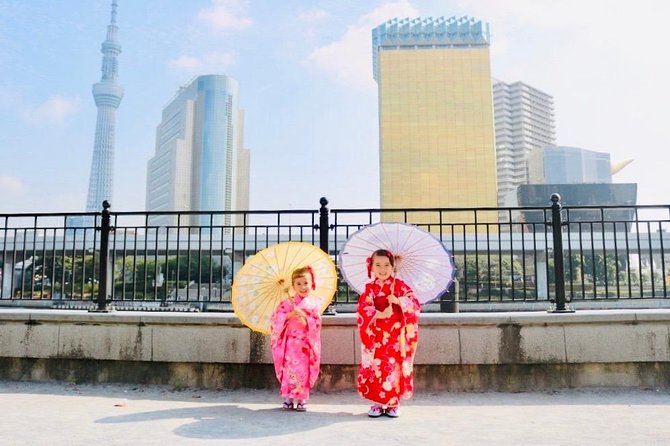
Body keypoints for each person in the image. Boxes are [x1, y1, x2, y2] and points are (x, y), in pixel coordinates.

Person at [356, 249, 421, 418]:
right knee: (377, 367)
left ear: (393, 267)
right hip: (376, 336)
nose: (382, 269)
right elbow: (362, 309)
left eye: (386, 265)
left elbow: (415, 304)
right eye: (378, 265)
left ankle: (393, 403)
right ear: (371, 267)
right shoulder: (369, 289)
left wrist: (399, 300)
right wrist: (378, 314)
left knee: (394, 367)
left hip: (395, 337)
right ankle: (377, 402)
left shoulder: (400, 286)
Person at [270, 266, 323, 412]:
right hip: (290, 343)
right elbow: (275, 319)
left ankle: (301, 399)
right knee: (289, 370)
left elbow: (317, 322)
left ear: (311, 283)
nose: (302, 287)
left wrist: (306, 318)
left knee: (303, 371)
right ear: (293, 286)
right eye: (298, 284)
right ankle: (288, 398)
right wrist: (289, 315)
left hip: (305, 344)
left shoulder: (314, 304)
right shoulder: (286, 304)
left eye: (305, 283)